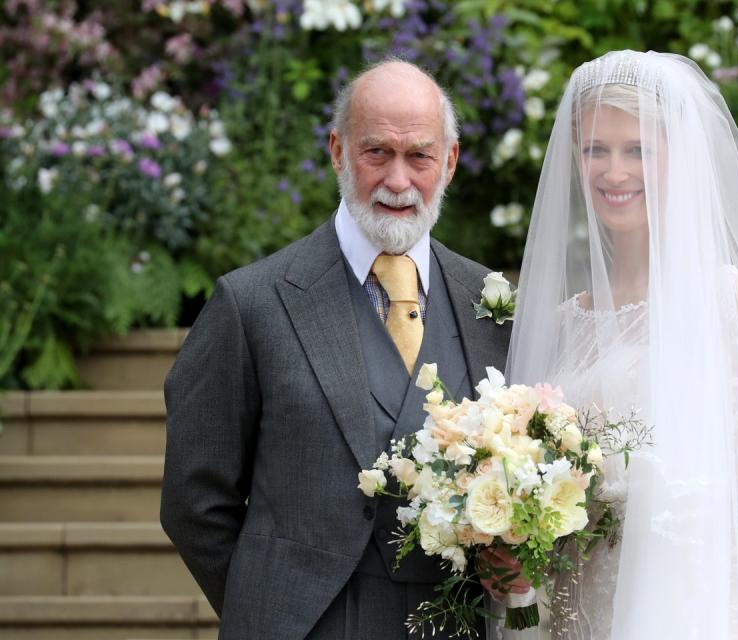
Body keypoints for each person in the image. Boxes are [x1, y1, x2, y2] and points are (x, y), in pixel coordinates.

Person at [160, 59, 510, 639]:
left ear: (448, 162)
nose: (398, 181)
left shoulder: (493, 306)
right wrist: (271, 609)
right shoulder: (250, 303)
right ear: (337, 151)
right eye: (376, 152)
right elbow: (194, 502)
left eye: (418, 155)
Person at [501, 50, 738, 639]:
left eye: (638, 150)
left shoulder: (729, 304)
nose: (613, 172)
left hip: (683, 609)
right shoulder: (563, 321)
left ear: (680, 160)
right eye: (596, 149)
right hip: (573, 606)